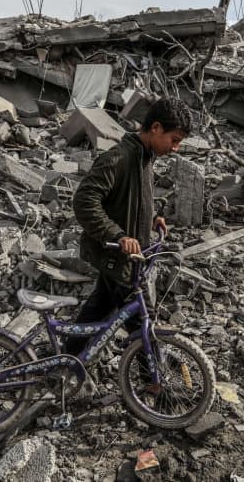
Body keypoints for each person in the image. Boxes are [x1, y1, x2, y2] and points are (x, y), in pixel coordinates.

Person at [66, 97, 193, 355]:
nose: (176, 148)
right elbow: (84, 202)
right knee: (143, 322)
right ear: (156, 128)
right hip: (119, 257)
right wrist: (118, 235)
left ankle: (67, 359)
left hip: (125, 260)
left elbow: (132, 198)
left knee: (99, 307)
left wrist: (152, 217)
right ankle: (155, 385)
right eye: (175, 140)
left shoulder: (144, 157)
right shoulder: (119, 158)